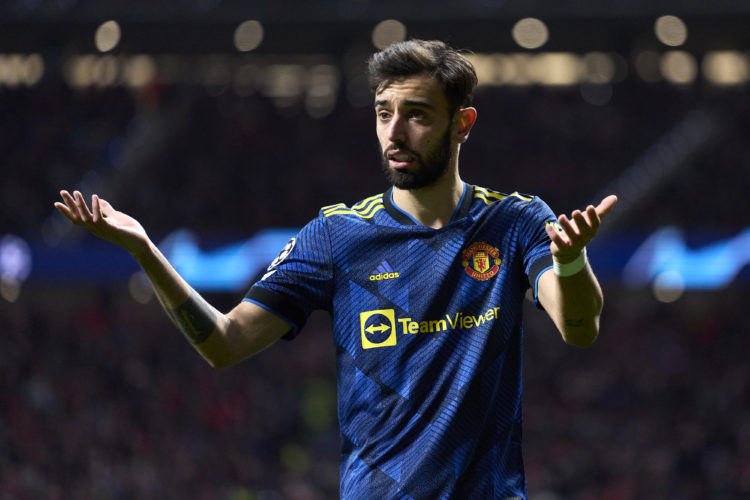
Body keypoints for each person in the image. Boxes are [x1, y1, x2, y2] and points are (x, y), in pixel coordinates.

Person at [55, 39, 617, 499]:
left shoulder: (515, 222)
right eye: (383, 113)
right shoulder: (336, 236)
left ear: (462, 123)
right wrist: (145, 251)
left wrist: (570, 260)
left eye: (417, 115)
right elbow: (223, 343)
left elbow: (580, 328)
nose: (395, 133)